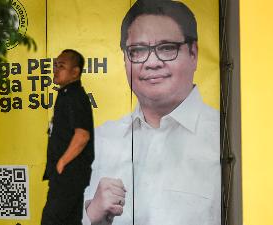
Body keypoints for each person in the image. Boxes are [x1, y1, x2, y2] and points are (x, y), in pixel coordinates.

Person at [82, 1, 220, 225]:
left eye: (167, 48)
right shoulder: (100, 141)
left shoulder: (226, 137)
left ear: (193, 53)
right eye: (138, 51)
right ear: (126, 59)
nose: (152, 63)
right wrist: (91, 216)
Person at [42, 49, 94, 225]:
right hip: (69, 176)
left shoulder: (74, 96)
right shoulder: (66, 95)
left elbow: (82, 136)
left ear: (75, 72)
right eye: (55, 65)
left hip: (68, 176)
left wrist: (61, 163)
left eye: (61, 66)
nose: (55, 69)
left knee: (51, 221)